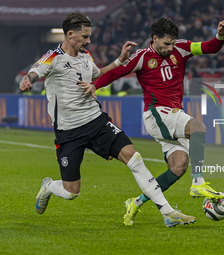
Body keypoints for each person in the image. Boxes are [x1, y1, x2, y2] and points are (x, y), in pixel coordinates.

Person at [19, 13, 195, 228]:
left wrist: (119, 61)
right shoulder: (53, 57)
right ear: (70, 34)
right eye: (84, 37)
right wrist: (28, 80)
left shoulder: (86, 56)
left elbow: (97, 74)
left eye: (89, 36)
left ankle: (168, 212)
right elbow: (36, 72)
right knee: (71, 191)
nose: (88, 41)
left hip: (96, 121)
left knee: (134, 158)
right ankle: (48, 186)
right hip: (69, 130)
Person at [78, 17, 224, 226]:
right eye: (166, 44)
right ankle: (198, 183)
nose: (170, 48)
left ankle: (136, 202)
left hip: (173, 115)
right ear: (154, 38)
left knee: (179, 166)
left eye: (172, 43)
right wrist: (95, 85)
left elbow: (211, 47)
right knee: (198, 127)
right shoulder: (142, 57)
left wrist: (220, 34)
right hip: (157, 113)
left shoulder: (182, 48)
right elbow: (116, 73)